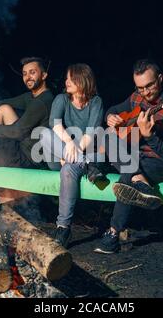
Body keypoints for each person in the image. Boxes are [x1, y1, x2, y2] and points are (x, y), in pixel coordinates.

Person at [94, 59, 163, 254]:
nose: (145, 92)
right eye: (140, 88)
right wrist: (110, 117)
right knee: (109, 137)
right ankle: (140, 179)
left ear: (160, 79)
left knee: (127, 175)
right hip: (135, 157)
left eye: (149, 85)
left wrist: (150, 136)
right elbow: (114, 109)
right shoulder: (137, 97)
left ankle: (113, 234)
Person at [39, 63, 106, 247]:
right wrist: (68, 143)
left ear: (82, 79)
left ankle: (63, 228)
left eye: (71, 78)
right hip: (58, 154)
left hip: (73, 159)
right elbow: (55, 125)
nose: (66, 81)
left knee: (68, 169)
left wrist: (72, 154)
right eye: (66, 78)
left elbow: (91, 133)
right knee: (44, 134)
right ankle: (86, 165)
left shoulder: (96, 102)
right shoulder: (62, 99)